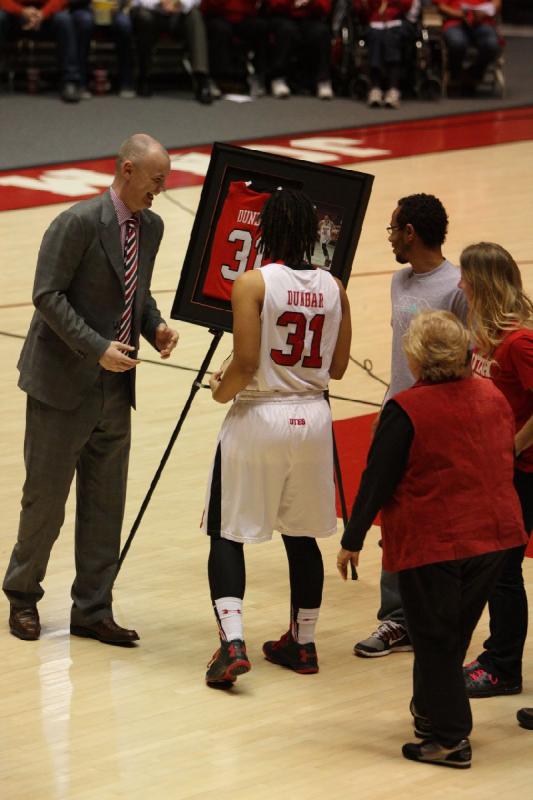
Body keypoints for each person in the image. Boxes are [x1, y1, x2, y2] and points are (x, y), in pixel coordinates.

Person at [3, 133, 179, 646]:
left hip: (115, 388)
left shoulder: (153, 227)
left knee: (106, 504)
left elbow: (136, 293)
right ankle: (22, 596)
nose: (160, 191)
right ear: (127, 170)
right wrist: (97, 345)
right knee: (46, 501)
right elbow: (47, 295)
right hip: (61, 384)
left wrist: (156, 327)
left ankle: (92, 608)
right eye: (156, 180)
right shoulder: (77, 222)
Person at [337, 310, 527, 768]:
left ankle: (449, 738)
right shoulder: (491, 396)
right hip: (495, 535)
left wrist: (353, 536)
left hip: (437, 540)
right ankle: (429, 712)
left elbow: (376, 480)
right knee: (452, 632)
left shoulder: (407, 409)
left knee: (435, 639)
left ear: (417, 358)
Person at [202, 188, 351, 687]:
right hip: (313, 417)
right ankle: (303, 644)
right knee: (302, 532)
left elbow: (245, 363)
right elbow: (338, 366)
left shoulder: (253, 283)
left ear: (266, 230)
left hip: (260, 415)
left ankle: (233, 645)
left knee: (227, 529)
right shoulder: (336, 287)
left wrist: (219, 392)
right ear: (312, 233)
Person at [354, 193, 467, 658]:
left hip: (437, 422)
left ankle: (436, 613)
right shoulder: (399, 282)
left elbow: (468, 358)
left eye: (393, 229)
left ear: (411, 233)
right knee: (394, 515)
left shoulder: (457, 286)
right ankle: (397, 619)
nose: (390, 239)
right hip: (396, 413)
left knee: (437, 518)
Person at [457, 242, 533, 702]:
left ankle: (503, 667)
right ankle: (496, 658)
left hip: (524, 472)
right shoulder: (486, 335)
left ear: (483, 282)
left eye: (466, 277)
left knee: (503, 569)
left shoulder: (519, 341)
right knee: (495, 567)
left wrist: (511, 449)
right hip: (497, 471)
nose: (460, 285)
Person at [130, 0, 213, 102]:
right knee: (143, 17)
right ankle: (144, 76)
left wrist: (180, 3)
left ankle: (201, 79)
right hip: (153, 13)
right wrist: (160, 3)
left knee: (195, 15)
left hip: (179, 15)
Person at [0, 0, 82, 101]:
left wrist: (43, 13)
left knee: (64, 19)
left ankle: (70, 81)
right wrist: (21, 11)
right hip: (15, 14)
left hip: (46, 15)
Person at [266, 0, 334, 99]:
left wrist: (311, 2)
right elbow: (273, 4)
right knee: (286, 30)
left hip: (310, 18)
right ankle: (278, 78)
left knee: (322, 32)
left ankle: (323, 80)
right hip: (284, 16)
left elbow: (325, 7)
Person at [68, 0, 137, 98]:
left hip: (113, 10)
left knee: (124, 25)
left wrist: (120, 3)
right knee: (85, 23)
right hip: (84, 8)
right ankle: (80, 82)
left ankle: (126, 82)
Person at [353, 0, 414, 109]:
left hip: (397, 22)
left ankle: (393, 89)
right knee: (375, 36)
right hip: (374, 23)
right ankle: (375, 88)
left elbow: (407, 5)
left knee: (391, 37)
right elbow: (358, 10)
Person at [201, 0, 269, 97]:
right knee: (220, 30)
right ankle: (215, 78)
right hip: (218, 15)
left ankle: (258, 77)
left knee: (260, 27)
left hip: (245, 16)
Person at [437, 0, 501, 93]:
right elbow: (441, 6)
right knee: (457, 43)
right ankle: (456, 74)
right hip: (455, 21)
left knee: (491, 44)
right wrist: (460, 14)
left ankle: (473, 74)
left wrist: (484, 13)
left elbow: (497, 3)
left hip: (482, 21)